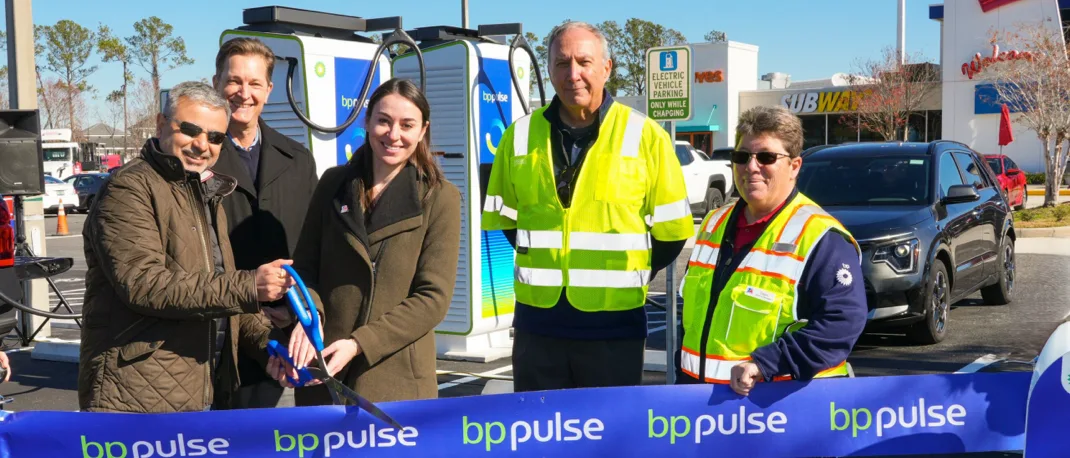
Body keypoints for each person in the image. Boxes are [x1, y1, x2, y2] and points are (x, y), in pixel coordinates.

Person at [480, 21, 694, 392]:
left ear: (607, 68)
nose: (573, 74)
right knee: (540, 440)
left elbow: (672, 235)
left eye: (584, 62)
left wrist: (622, 274)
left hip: (614, 330)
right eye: (562, 63)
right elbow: (510, 223)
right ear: (548, 70)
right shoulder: (518, 136)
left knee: (607, 443)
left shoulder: (647, 137)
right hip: (537, 328)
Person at [78, 81, 295, 413]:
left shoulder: (206, 194)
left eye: (215, 137)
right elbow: (145, 285)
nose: (201, 144)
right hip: (137, 398)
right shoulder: (128, 189)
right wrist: (250, 285)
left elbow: (219, 292)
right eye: (190, 130)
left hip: (201, 392)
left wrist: (271, 348)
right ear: (161, 124)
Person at [268, 78, 461, 404]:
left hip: (395, 378)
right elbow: (306, 268)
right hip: (326, 368)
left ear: (423, 130)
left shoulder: (440, 198)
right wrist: (308, 317)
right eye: (384, 121)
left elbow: (433, 299)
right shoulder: (333, 183)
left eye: (407, 124)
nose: (394, 134)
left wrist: (360, 343)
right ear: (367, 121)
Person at [677, 105, 867, 395]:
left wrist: (765, 363)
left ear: (794, 166)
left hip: (778, 411)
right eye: (741, 157)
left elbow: (841, 324)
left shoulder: (820, 237)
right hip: (703, 409)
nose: (751, 167)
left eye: (766, 157)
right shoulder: (713, 224)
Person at [211, 37, 319, 409]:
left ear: (269, 90)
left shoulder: (298, 161)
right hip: (211, 336)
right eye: (234, 81)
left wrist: (296, 308)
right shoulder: (195, 160)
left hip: (273, 337)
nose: (244, 93)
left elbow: (313, 246)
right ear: (216, 83)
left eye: (255, 83)